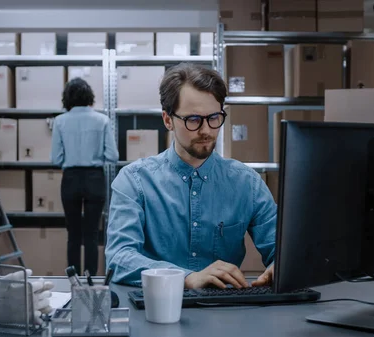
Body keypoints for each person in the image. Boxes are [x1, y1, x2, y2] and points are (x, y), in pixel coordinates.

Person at [104, 63, 277, 289]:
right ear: (168, 120)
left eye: (214, 117)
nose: (206, 130)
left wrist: (280, 266)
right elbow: (119, 258)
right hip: (156, 311)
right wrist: (185, 277)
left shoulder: (247, 183)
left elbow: (281, 249)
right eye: (193, 120)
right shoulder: (134, 181)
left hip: (225, 315)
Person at [51, 77, 119, 276]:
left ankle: (73, 281)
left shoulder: (60, 121)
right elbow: (113, 156)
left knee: (73, 235)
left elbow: (56, 158)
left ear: (67, 98)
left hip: (70, 178)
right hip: (94, 177)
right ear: (89, 95)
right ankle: (90, 281)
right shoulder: (102, 120)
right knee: (91, 234)